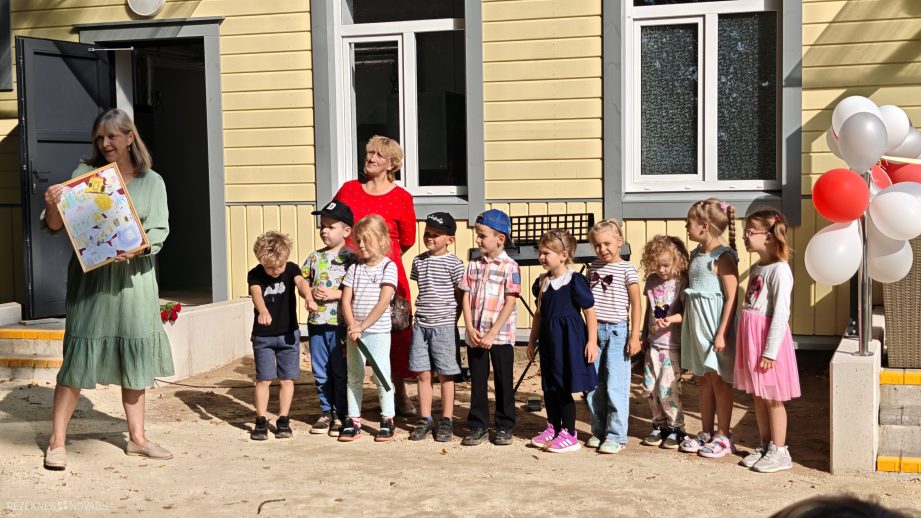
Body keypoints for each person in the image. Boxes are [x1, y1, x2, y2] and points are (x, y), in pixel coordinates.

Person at [41, 108, 174, 470]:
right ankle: (57, 442)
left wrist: (139, 248)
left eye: (112, 136)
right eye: (99, 137)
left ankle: (138, 439)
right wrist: (52, 204)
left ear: (130, 137)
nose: (105, 143)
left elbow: (159, 231)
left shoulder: (152, 182)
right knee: (76, 360)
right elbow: (56, 226)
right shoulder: (85, 176)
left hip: (134, 283)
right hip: (92, 282)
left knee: (134, 357)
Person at [334, 136, 417, 416]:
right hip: (352, 271)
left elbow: (407, 239)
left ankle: (398, 393)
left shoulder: (402, 197)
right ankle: (346, 397)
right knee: (349, 329)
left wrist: (381, 261)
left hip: (388, 273)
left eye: (379, 155)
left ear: (392, 164)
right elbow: (334, 223)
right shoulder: (348, 190)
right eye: (369, 152)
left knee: (395, 333)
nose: (371, 158)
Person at [735, 209, 800, 472]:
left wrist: (770, 351)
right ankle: (765, 445)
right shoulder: (757, 268)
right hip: (752, 341)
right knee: (758, 396)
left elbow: (781, 313)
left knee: (773, 397)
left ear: (769, 236)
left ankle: (780, 451)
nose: (745, 236)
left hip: (767, 343)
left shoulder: (780, 270)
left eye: (750, 232)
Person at [527, 229, 598, 453]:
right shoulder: (542, 283)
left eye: (546, 253)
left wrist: (592, 341)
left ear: (563, 255)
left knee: (564, 386)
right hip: (549, 342)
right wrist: (532, 341)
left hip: (569, 341)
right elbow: (539, 315)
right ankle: (553, 427)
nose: (541, 257)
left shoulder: (574, 281)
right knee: (550, 386)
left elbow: (589, 312)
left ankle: (569, 433)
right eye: (540, 252)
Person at [679, 198, 740, 458]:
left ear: (704, 226)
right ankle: (706, 431)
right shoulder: (696, 254)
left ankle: (724, 435)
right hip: (697, 327)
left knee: (719, 381)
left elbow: (732, 297)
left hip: (714, 327)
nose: (686, 226)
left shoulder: (723, 257)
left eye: (689, 223)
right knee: (702, 379)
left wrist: (722, 333)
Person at [460, 209, 521, 446]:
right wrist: (469, 326)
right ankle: (478, 425)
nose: (478, 240)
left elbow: (510, 301)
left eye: (482, 235)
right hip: (476, 334)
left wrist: (493, 333)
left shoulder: (510, 267)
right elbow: (466, 296)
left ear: (500, 238)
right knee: (478, 380)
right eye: (478, 235)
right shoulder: (473, 265)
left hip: (500, 336)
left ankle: (505, 425)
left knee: (503, 381)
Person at [339, 215, 400, 442]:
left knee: (381, 376)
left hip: (378, 331)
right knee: (354, 376)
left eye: (366, 240)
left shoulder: (388, 267)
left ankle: (387, 419)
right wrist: (353, 326)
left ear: (381, 239)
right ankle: (353, 419)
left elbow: (383, 302)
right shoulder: (355, 268)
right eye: (359, 241)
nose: (361, 245)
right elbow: (346, 300)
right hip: (355, 332)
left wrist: (363, 326)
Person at [584, 218, 642, 454]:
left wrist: (635, 336)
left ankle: (617, 435)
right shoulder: (593, 268)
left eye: (607, 243)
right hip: (594, 332)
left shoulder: (627, 269)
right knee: (593, 385)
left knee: (615, 384)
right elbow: (588, 304)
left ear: (620, 242)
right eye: (597, 245)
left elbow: (636, 304)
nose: (602, 249)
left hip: (618, 332)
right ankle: (598, 431)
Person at [408, 212, 465, 442]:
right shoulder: (418, 261)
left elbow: (460, 296)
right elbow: (422, 289)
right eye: (427, 233)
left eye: (436, 234)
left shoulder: (455, 264)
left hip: (444, 326)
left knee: (445, 374)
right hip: (421, 325)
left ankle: (447, 419)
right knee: (423, 373)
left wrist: (453, 319)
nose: (429, 238)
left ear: (450, 239)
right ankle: (425, 418)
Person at [248, 232, 311, 440]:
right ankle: (260, 420)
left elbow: (301, 283)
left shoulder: (291, 268)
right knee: (263, 379)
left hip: (288, 335)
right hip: (263, 337)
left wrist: (308, 297)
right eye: (270, 268)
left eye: (279, 267)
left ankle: (283, 419)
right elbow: (256, 293)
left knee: (287, 379)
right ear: (261, 262)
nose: (275, 271)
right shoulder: (255, 274)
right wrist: (263, 310)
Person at [302, 200, 356, 437]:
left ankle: (342, 414)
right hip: (317, 323)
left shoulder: (352, 259)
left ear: (346, 231)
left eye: (331, 226)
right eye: (322, 226)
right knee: (320, 370)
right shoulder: (314, 257)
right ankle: (326, 412)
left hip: (341, 325)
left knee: (340, 371)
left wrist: (337, 294)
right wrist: (308, 293)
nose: (324, 230)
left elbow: (359, 289)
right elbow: (302, 281)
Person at [639, 235, 690, 449]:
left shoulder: (681, 282)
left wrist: (671, 319)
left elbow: (687, 313)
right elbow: (649, 310)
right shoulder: (652, 280)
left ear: (677, 261)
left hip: (672, 346)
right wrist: (644, 334)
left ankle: (676, 427)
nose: (662, 270)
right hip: (653, 343)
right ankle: (658, 425)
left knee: (668, 388)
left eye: (666, 265)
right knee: (650, 387)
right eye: (657, 265)